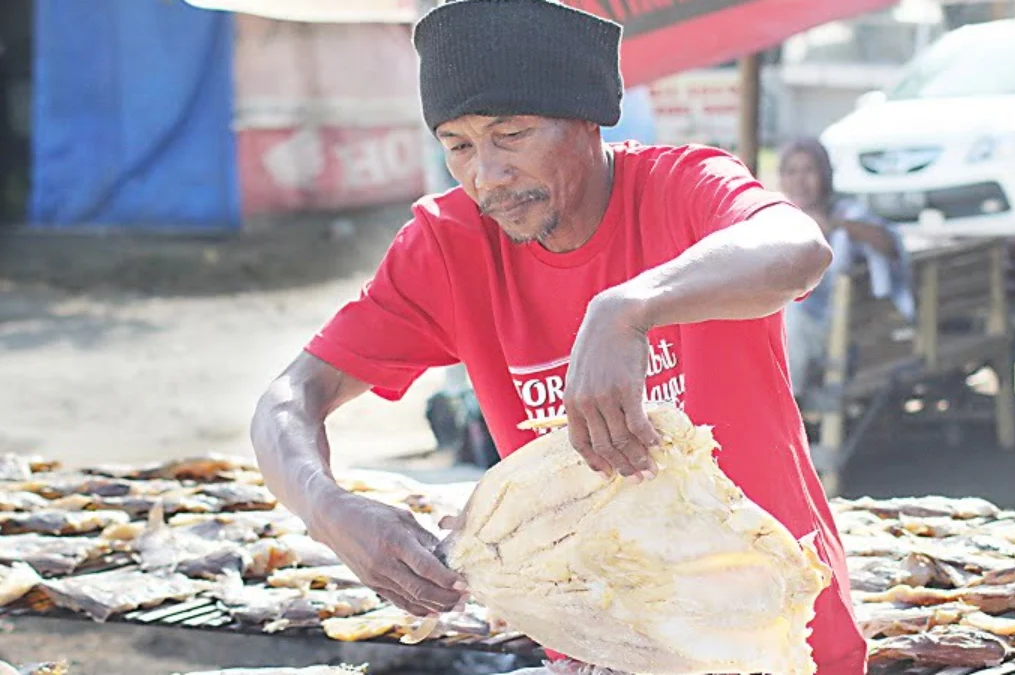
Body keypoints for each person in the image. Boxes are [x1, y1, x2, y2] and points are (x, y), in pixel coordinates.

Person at [249, 2, 865, 673]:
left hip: (781, 638)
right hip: (600, 650)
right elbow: (289, 398)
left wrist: (628, 308)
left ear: (587, 118)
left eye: (511, 134)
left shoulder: (683, 188)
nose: (486, 174)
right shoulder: (451, 247)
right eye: (458, 145)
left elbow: (799, 247)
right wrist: (327, 507)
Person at [779, 137, 915, 399]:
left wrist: (835, 225)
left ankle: (787, 400)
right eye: (791, 172)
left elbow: (889, 244)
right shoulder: (776, 216)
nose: (799, 181)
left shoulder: (845, 213)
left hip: (831, 327)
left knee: (789, 317)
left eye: (809, 171)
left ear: (825, 175)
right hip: (791, 327)